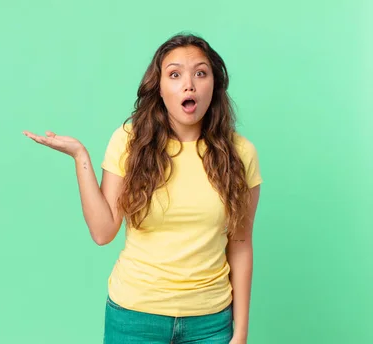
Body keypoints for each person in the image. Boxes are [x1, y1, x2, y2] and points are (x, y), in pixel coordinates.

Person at [23, 32, 262, 344]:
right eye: (175, 74)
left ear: (213, 85)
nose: (188, 84)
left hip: (211, 323)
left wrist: (240, 333)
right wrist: (80, 157)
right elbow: (103, 231)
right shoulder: (129, 141)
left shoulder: (241, 153)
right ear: (159, 89)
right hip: (135, 317)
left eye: (200, 73)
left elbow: (241, 244)